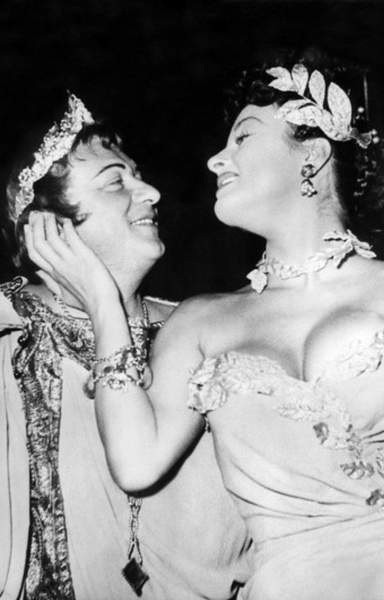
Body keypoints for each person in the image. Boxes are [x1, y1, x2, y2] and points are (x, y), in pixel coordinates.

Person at [24, 52, 384, 600]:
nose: (215, 160)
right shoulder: (200, 321)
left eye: (243, 137)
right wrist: (104, 303)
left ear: (313, 155)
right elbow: (135, 464)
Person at [0, 95, 251, 600]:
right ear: (47, 226)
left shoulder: (204, 330)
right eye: (116, 182)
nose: (152, 192)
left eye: (138, 176)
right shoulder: (11, 331)